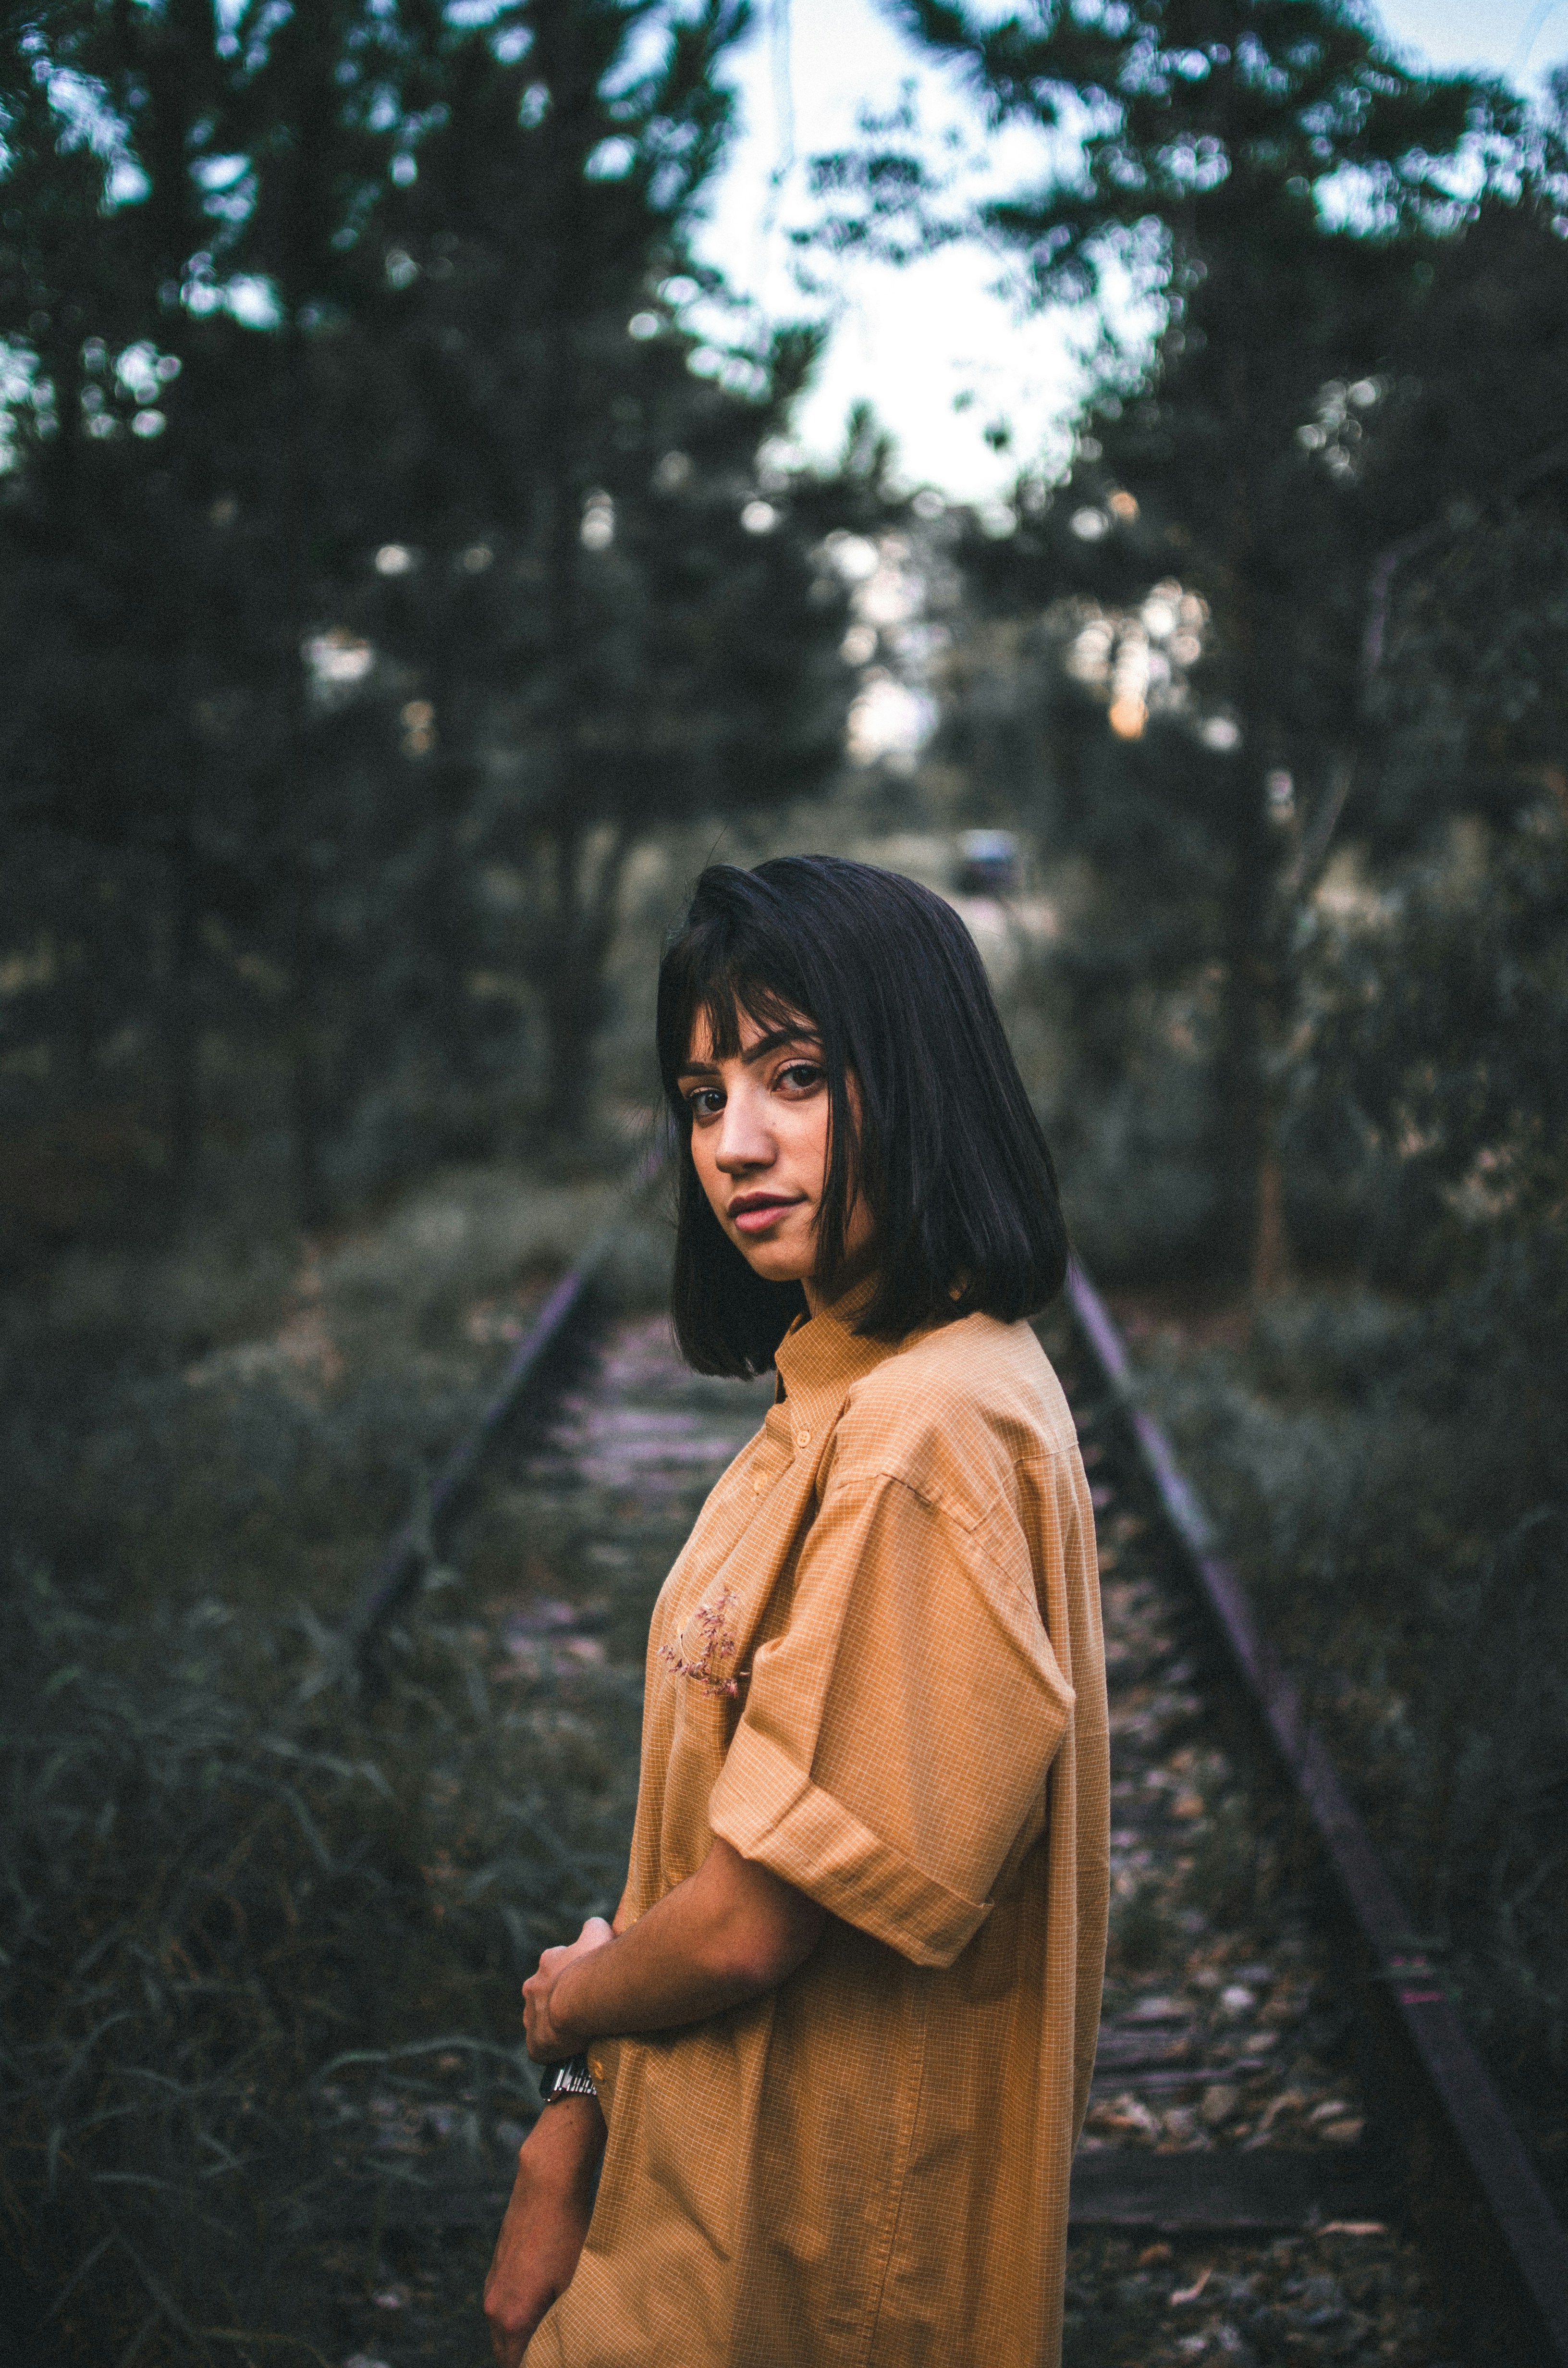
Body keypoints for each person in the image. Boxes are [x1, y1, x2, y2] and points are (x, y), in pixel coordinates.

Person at [484, 855, 1109, 2368]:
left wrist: (565, 2022)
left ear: (917, 1079)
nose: (736, 1145)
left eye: (798, 1077)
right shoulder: (864, 1390)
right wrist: (582, 2126)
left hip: (797, 2268)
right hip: (713, 2208)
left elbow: (751, 1924)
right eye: (704, 1099)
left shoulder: (920, 1439)